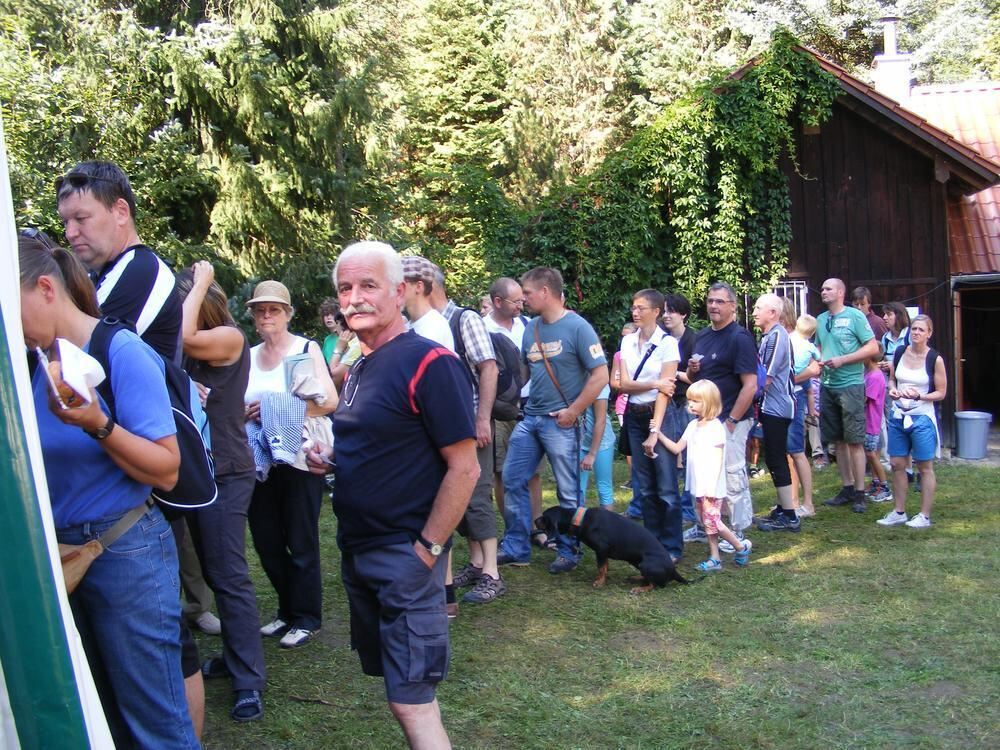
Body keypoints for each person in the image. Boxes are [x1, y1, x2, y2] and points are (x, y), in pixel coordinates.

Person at [19, 235, 198, 749]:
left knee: (155, 725)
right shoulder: (36, 362)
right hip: (64, 553)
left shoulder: (122, 352)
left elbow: (166, 470)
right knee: (103, 719)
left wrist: (98, 423)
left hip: (126, 551)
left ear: (46, 289)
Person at [306, 240, 479, 749]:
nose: (354, 298)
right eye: (344, 288)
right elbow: (392, 444)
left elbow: (464, 468)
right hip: (360, 551)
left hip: (405, 554)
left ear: (400, 292)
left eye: (367, 286)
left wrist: (426, 551)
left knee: (411, 699)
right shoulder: (363, 364)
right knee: (399, 691)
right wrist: (334, 459)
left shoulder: (431, 363)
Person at [55, 159, 209, 729]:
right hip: (120, 470)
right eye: (65, 221)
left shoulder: (139, 273)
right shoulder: (112, 275)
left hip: (138, 472)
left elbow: (91, 354)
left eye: (81, 218)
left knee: (167, 642)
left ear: (121, 211)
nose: (70, 233)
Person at [176, 262, 266, 722]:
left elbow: (188, 335)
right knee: (214, 570)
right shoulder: (189, 354)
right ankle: (234, 659)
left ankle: (249, 681)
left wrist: (202, 281)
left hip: (228, 473)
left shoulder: (228, 336)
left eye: (184, 301)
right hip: (200, 474)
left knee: (229, 576)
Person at [244, 280, 338, 648]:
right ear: (252, 315)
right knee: (266, 540)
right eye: (260, 310)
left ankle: (307, 616)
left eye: (274, 309)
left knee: (300, 538)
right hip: (259, 458)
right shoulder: (248, 355)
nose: (267, 316)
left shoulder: (304, 348)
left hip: (299, 456)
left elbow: (328, 402)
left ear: (288, 313)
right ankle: (285, 610)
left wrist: (273, 410)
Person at [497, 267, 608, 573]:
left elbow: (601, 375)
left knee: (569, 490)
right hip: (531, 419)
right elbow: (522, 374)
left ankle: (570, 551)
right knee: (512, 478)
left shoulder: (578, 327)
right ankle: (517, 546)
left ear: (545, 292)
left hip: (562, 422)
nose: (523, 298)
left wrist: (574, 411)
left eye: (528, 293)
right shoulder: (530, 328)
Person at [427, 263, 503, 609]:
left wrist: (482, 418)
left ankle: (492, 573)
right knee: (454, 498)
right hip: (445, 429)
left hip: (471, 426)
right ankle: (474, 564)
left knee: (476, 496)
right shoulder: (424, 325)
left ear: (428, 286)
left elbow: (488, 366)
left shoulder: (463, 319)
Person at [650, 380, 752, 571]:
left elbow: (718, 459)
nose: (691, 405)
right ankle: (715, 557)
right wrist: (658, 433)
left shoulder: (716, 428)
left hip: (711, 486)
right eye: (690, 401)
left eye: (696, 401)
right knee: (707, 522)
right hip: (698, 484)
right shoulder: (693, 426)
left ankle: (740, 546)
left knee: (713, 521)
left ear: (708, 402)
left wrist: (711, 489)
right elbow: (677, 447)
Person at [686, 282, 759, 544]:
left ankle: (737, 530)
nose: (713, 306)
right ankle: (705, 526)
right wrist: (693, 369)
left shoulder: (739, 338)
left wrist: (731, 421)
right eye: (710, 301)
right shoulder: (702, 336)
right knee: (704, 476)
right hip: (704, 421)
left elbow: (750, 385)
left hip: (731, 419)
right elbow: (696, 379)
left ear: (732, 306)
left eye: (719, 302)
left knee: (732, 475)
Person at [617, 289, 682, 561]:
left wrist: (655, 430)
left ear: (656, 311)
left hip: (660, 414)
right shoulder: (627, 342)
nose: (636, 312)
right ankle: (652, 543)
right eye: (634, 307)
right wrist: (655, 382)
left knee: (666, 485)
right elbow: (623, 384)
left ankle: (672, 547)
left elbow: (666, 392)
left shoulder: (668, 344)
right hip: (633, 413)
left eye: (642, 307)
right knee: (644, 485)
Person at [483, 277, 545, 535]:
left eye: (523, 300)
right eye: (516, 301)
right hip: (498, 409)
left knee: (533, 471)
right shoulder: (481, 329)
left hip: (531, 406)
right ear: (497, 302)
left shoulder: (527, 325)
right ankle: (513, 530)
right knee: (502, 472)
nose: (522, 305)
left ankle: (537, 527)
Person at [815, 278, 880, 513]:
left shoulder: (855, 316)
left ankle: (861, 493)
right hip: (827, 385)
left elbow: (872, 348)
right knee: (837, 441)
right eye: (822, 289)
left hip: (851, 385)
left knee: (854, 441)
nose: (823, 292)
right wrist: (818, 362)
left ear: (841, 292)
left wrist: (843, 360)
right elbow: (820, 347)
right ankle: (847, 487)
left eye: (828, 288)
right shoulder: (821, 320)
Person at [877, 315, 947, 528]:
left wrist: (920, 396)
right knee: (897, 464)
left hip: (922, 417)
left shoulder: (934, 359)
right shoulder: (899, 353)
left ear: (929, 333)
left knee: (924, 466)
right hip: (899, 415)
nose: (916, 333)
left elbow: (941, 393)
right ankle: (899, 511)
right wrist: (893, 390)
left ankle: (924, 515)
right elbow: (891, 380)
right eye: (914, 329)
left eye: (921, 330)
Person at [751, 294, 798, 532]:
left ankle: (790, 515)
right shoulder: (768, 335)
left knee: (777, 458)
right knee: (773, 457)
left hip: (779, 407)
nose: (754, 312)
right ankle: (782, 507)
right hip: (770, 406)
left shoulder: (778, 335)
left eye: (759, 308)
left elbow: (766, 377)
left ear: (773, 313)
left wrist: (748, 395)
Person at [662, 294, 698, 526]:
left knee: (687, 456)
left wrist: (671, 371)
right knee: (666, 455)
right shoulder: (661, 338)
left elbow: (697, 378)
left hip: (687, 401)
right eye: (664, 311)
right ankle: (669, 505)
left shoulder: (693, 339)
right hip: (665, 400)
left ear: (683, 314)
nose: (665, 315)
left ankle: (688, 509)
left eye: (671, 311)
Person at [788, 314, 822, 517]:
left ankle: (807, 504)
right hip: (797, 389)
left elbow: (813, 370)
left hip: (795, 393)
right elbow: (818, 363)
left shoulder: (790, 340)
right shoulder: (809, 346)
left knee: (797, 451)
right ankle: (791, 502)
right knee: (791, 451)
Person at [402, 256, 454, 350]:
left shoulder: (434, 327)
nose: (396, 290)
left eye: (402, 284)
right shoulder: (410, 325)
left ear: (419, 287)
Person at [863, 349, 892, 503]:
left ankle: (885, 486)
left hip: (871, 423)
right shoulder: (870, 373)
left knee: (872, 455)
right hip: (870, 423)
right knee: (872, 454)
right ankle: (875, 483)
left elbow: (865, 399)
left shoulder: (874, 377)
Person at [579, 384, 615, 506]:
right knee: (577, 489)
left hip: (602, 443)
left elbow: (600, 421)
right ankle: (577, 524)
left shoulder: (600, 383)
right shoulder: (572, 377)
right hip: (578, 442)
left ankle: (607, 524)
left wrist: (592, 454)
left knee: (604, 487)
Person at [319, 297, 344, 365]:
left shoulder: (346, 336)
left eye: (332, 314)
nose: (328, 317)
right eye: (326, 314)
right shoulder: (327, 340)